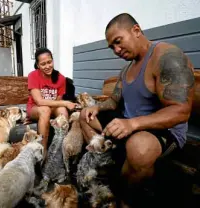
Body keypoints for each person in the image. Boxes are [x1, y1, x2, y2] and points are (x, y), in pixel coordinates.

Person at [79, 13, 195, 206]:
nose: (116, 50)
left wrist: (133, 123)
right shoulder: (126, 70)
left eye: (118, 41)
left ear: (136, 30)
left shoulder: (167, 56)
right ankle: (105, 162)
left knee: (139, 149)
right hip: (129, 124)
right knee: (84, 116)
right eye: (112, 47)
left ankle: (123, 198)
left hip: (162, 131)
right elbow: (114, 101)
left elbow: (181, 111)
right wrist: (96, 107)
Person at [27, 47, 77, 157]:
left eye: (49, 62)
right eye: (43, 64)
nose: (47, 66)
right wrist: (65, 103)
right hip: (35, 109)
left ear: (53, 60)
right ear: (38, 65)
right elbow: (39, 101)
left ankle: (61, 149)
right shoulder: (33, 76)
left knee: (63, 111)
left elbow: (57, 102)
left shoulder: (61, 78)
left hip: (50, 108)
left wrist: (62, 105)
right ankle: (42, 151)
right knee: (45, 109)